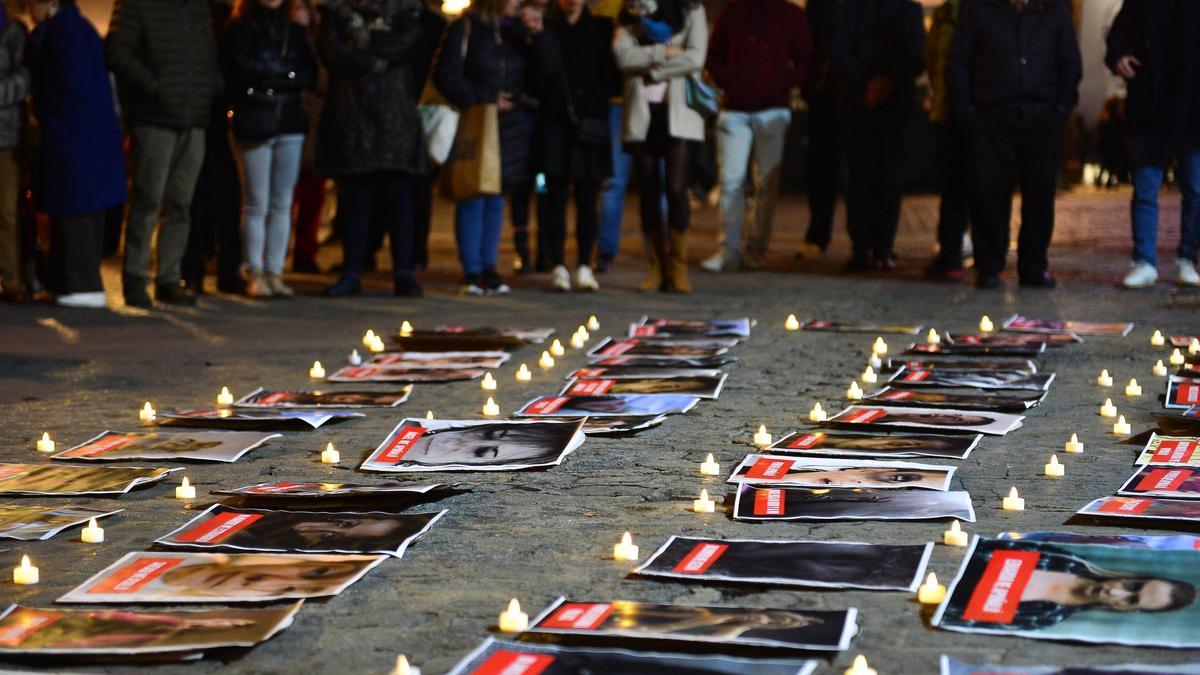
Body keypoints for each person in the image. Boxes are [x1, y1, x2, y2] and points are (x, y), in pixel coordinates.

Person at [947, 0, 1082, 289]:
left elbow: (1070, 62)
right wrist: (967, 112)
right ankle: (989, 266)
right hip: (990, 115)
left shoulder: (1053, 10)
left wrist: (1060, 109)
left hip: (1042, 116)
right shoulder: (979, 9)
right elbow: (958, 60)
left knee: (1040, 194)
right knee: (989, 193)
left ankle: (1034, 265)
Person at [106, 0, 224, 307]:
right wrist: (155, 87)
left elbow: (208, 54)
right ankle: (135, 278)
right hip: (155, 117)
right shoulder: (138, 6)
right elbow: (118, 52)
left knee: (181, 203)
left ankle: (169, 278)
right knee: (148, 200)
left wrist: (209, 89)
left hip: (193, 118)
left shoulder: (197, 8)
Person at [316, 0, 427, 298]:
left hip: (395, 117)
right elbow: (333, 53)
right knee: (355, 197)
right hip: (352, 113)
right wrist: (372, 57)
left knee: (399, 197)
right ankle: (352, 270)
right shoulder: (336, 10)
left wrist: (361, 41)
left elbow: (405, 45)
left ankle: (403, 272)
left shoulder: (406, 8)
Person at [434, 0, 541, 296]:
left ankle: (490, 268)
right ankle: (472, 269)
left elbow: (538, 75)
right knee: (474, 192)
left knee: (496, 194)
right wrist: (483, 97)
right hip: (478, 121)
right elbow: (445, 75)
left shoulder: (514, 33)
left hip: (509, 126)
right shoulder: (466, 28)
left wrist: (535, 36)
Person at [28, 0, 126, 309]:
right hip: (93, 141)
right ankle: (68, 282)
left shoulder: (58, 34)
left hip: (71, 138)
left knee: (74, 213)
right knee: (83, 213)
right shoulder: (81, 30)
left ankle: (81, 285)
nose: (30, 8)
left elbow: (49, 92)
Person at [700, 0, 811, 273]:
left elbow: (805, 60)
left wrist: (778, 83)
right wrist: (731, 81)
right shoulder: (734, 12)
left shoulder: (791, 15)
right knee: (730, 181)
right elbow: (713, 54)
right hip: (735, 110)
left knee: (766, 184)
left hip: (773, 110)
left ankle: (756, 250)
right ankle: (730, 250)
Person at [613, 0, 707, 294]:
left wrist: (652, 69)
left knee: (677, 188)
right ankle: (656, 266)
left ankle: (678, 267)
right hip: (642, 113)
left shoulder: (691, 10)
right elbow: (623, 57)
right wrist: (664, 52)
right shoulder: (631, 11)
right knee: (649, 189)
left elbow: (695, 58)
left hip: (679, 112)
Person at [1107, 1, 1200, 289]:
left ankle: (1187, 258)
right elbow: (1118, 35)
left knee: (1196, 189)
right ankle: (1144, 261)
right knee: (1146, 189)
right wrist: (1119, 56)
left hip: (1193, 108)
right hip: (1150, 106)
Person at [226, 0, 316, 298]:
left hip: (289, 121)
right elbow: (242, 70)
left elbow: (308, 73)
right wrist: (284, 75)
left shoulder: (295, 30)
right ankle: (255, 271)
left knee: (282, 202)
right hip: (255, 120)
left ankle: (275, 271)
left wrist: (271, 76)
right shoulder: (241, 29)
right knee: (256, 202)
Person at [832, 0, 925, 272]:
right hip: (856, 105)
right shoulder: (849, 10)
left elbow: (916, 56)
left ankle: (883, 247)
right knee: (858, 178)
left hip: (895, 106)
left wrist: (886, 83)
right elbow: (840, 53)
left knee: (890, 178)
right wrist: (866, 85)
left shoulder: (908, 10)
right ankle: (861, 247)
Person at [533, 0, 617, 292]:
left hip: (589, 125)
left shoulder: (601, 28)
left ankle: (584, 263)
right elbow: (539, 75)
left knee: (587, 197)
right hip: (554, 125)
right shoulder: (548, 27)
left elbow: (612, 75)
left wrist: (592, 100)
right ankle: (557, 264)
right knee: (553, 196)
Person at [946, 539, 1197, 631]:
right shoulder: (1062, 559)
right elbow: (974, 546)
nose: (1115, 591)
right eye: (1133, 585)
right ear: (1131, 574)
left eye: (1131, 599)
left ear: (1126, 610)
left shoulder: (1046, 616)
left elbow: (952, 617)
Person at [923, 0, 972, 281]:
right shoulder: (945, 14)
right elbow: (931, 58)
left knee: (983, 187)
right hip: (948, 111)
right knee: (953, 186)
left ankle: (989, 257)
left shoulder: (990, 11)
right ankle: (950, 252)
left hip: (982, 113)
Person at [796, 0, 838, 262]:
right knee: (821, 166)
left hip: (855, 88)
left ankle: (871, 243)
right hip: (824, 93)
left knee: (866, 169)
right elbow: (808, 42)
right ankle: (817, 234)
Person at [0, 3, 25, 304]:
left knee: (6, 212)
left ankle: (12, 278)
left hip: (6, 136)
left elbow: (24, 77)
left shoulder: (12, 32)